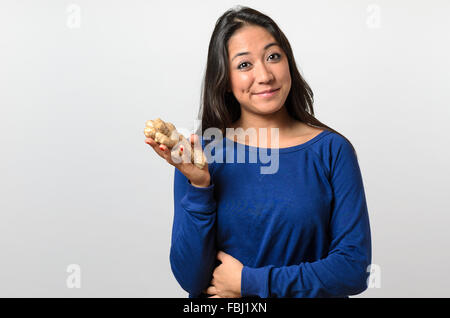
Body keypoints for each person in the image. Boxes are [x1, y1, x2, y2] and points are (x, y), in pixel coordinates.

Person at [145, 6, 371, 298]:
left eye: (273, 57)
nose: (264, 75)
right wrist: (199, 185)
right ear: (225, 80)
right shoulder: (201, 155)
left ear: (289, 62)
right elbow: (191, 279)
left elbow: (353, 269)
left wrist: (249, 282)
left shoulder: (332, 151)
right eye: (244, 65)